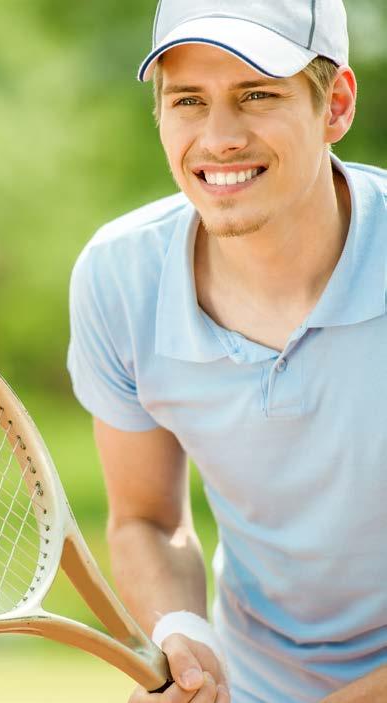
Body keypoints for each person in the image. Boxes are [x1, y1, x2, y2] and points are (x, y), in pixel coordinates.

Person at [67, 1, 386, 701]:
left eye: (256, 95)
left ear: (333, 105)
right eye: (187, 100)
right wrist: (184, 634)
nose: (218, 138)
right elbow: (146, 518)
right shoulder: (119, 278)